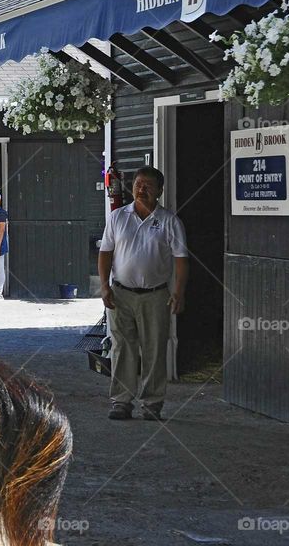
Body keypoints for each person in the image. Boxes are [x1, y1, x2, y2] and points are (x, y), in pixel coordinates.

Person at [99, 166, 188, 422]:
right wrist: (104, 286)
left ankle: (152, 403)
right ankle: (121, 402)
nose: (142, 189)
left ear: (160, 190)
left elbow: (181, 259)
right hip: (121, 294)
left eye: (148, 185)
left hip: (155, 295)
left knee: (154, 349)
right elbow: (105, 253)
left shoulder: (169, 221)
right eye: (138, 184)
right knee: (122, 348)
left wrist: (178, 293)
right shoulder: (118, 217)